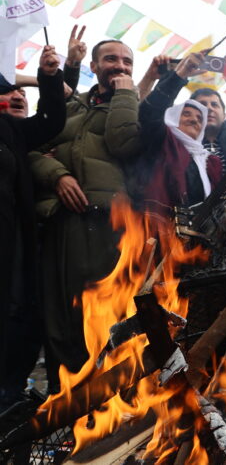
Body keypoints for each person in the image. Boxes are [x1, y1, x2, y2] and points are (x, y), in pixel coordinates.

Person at [29, 37, 143, 387]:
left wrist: (127, 94)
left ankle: (104, 402)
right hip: (63, 223)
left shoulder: (134, 105)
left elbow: (125, 144)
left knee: (105, 315)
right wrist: (57, 176)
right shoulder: (71, 105)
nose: (119, 66)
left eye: (126, 62)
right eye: (111, 59)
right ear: (94, 66)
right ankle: (61, 401)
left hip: (108, 224)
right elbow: (30, 149)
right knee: (60, 316)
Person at [0, 46, 67, 411]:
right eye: (6, 92)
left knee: (17, 318)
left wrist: (50, 76)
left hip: (12, 247)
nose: (11, 97)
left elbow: (52, 121)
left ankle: (8, 397)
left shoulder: (10, 129)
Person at [132, 53, 222, 215]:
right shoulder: (160, 140)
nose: (194, 120)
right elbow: (149, 113)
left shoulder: (212, 163)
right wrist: (179, 75)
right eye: (186, 114)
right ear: (172, 118)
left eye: (200, 118)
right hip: (156, 229)